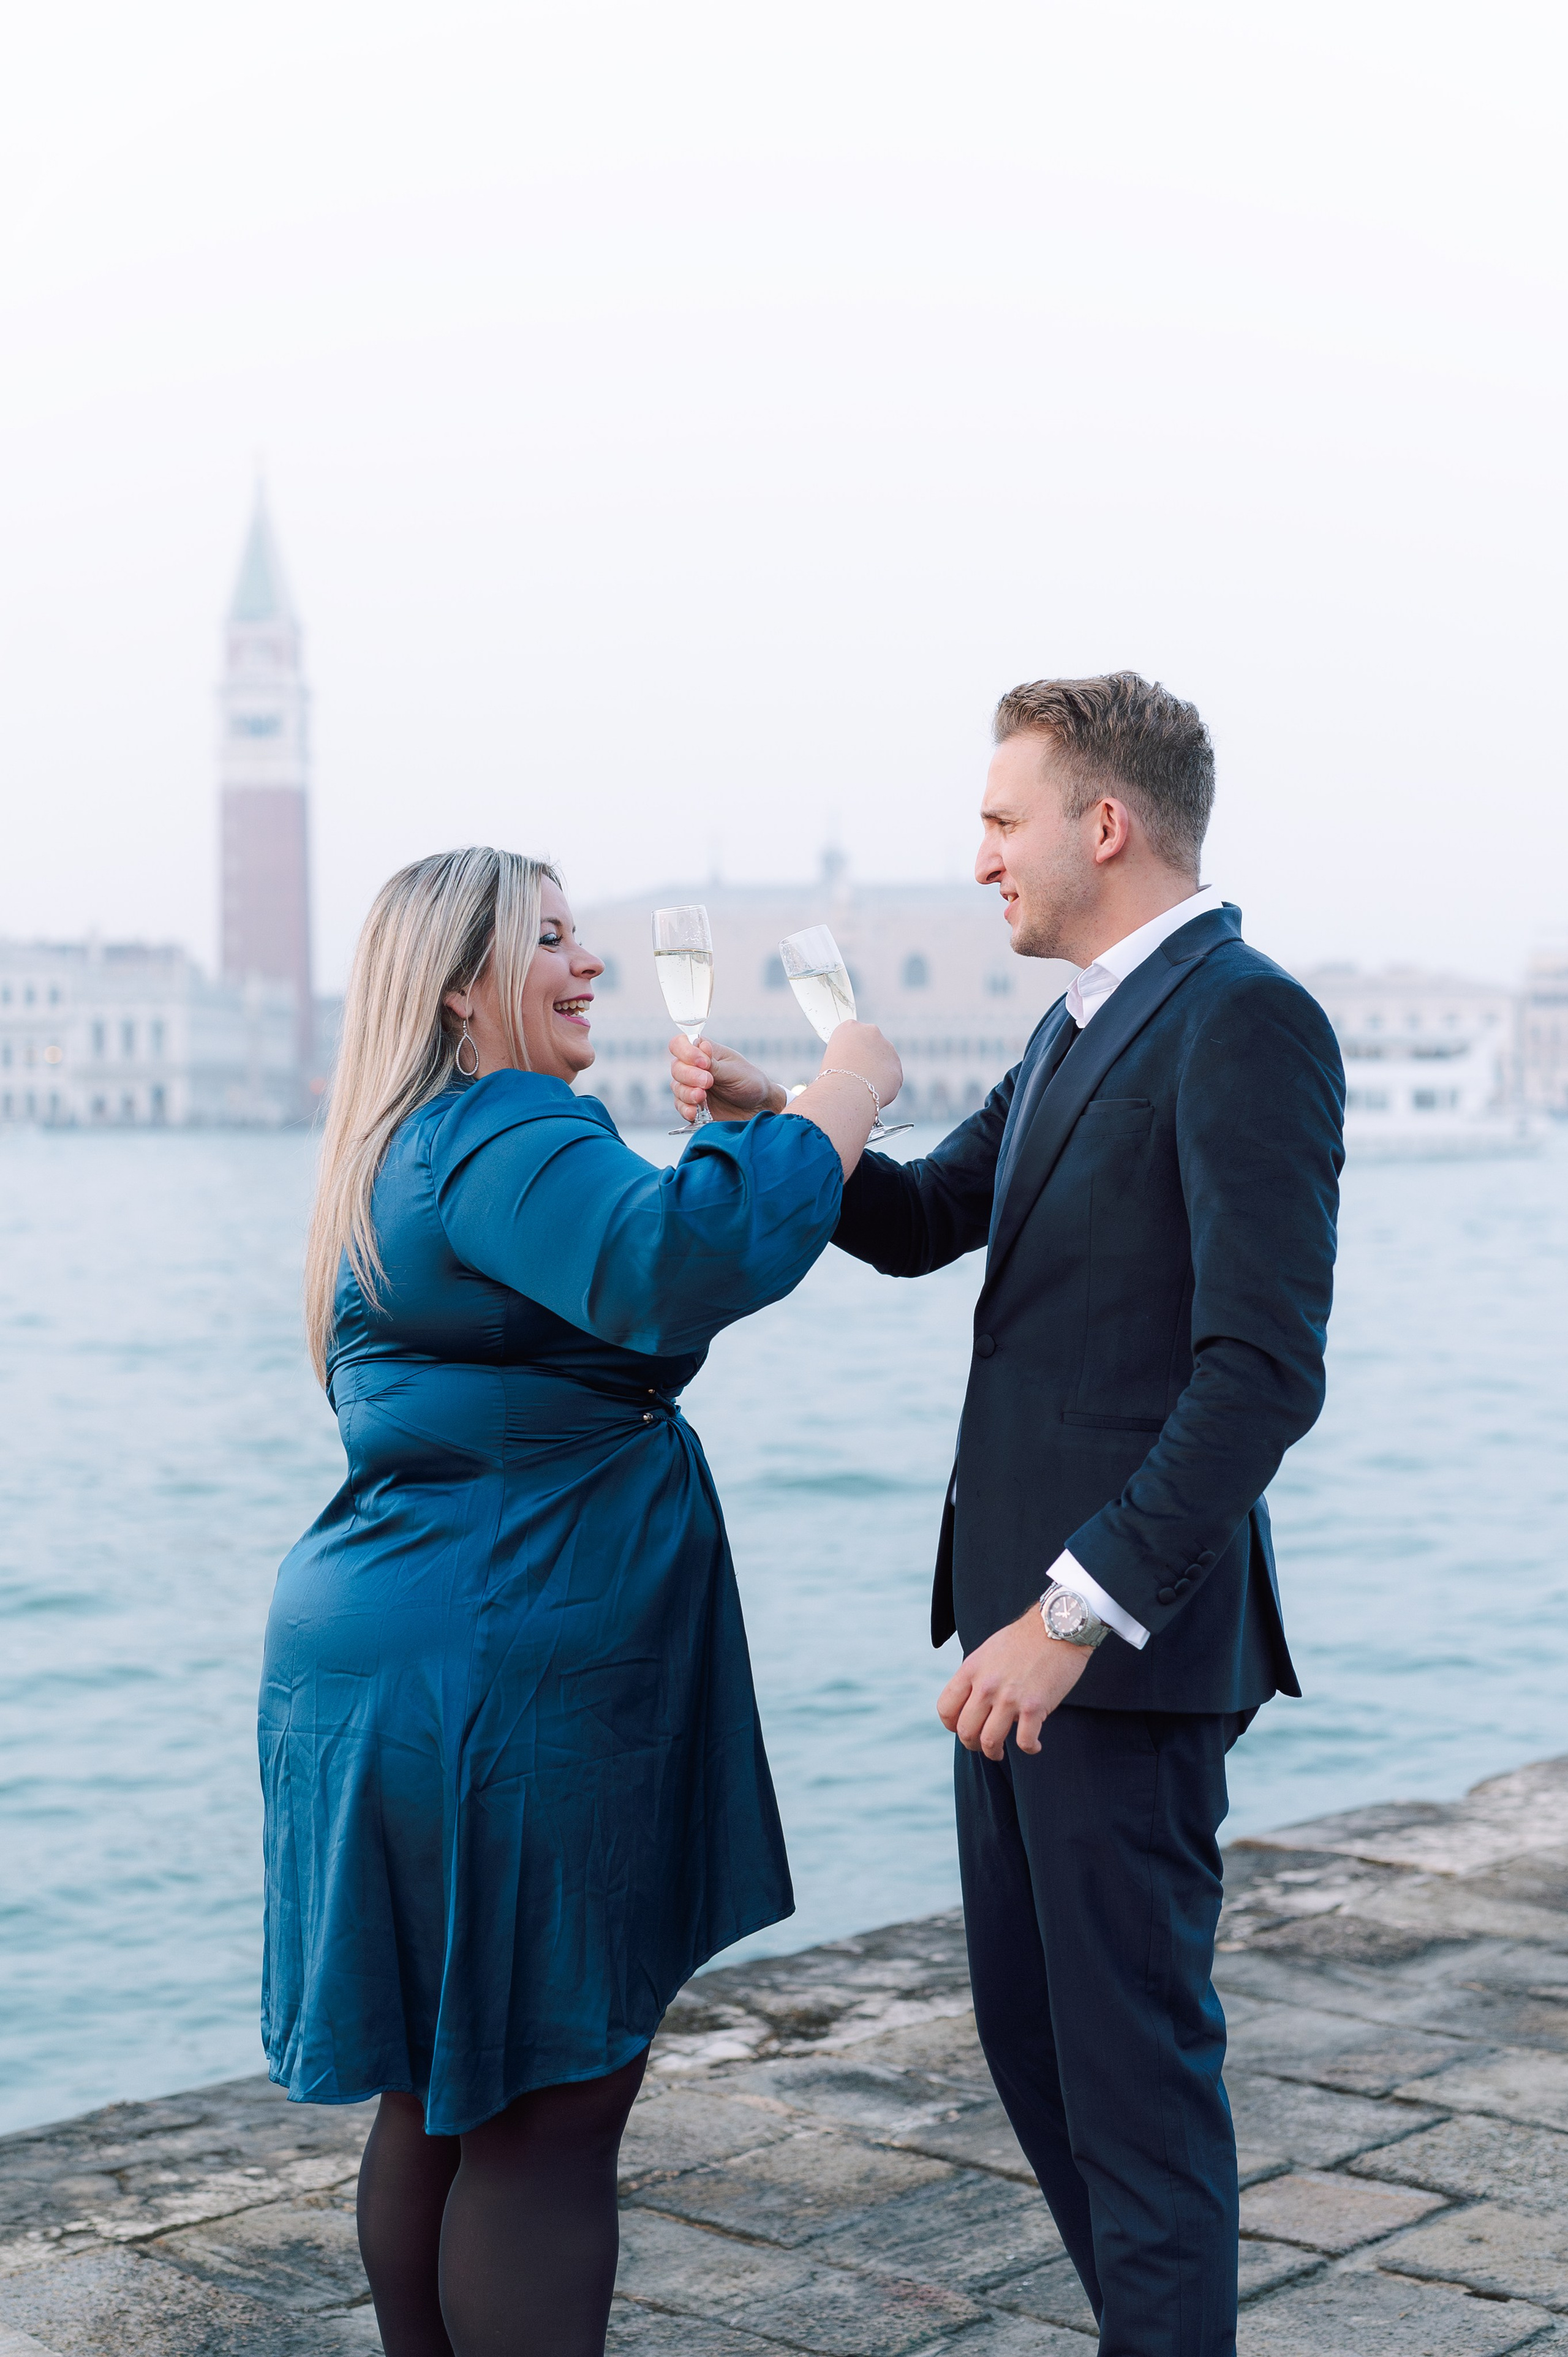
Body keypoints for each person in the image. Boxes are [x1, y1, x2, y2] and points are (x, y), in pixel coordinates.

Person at [669, 673, 1345, 2357]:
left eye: (999, 821)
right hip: (1010, 1654)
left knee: (1135, 2084)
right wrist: (783, 1116)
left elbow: (1259, 1373)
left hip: (1112, 1650)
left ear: (1101, 826)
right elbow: (917, 1222)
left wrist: (1068, 1614)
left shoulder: (1242, 1019)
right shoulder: (1070, 1030)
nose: (979, 859)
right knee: (1038, 2052)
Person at [260, 845, 900, 2357]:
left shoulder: (413, 1145)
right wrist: (842, 1095)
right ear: (465, 985)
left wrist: (750, 1138)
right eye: (548, 938)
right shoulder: (502, 1125)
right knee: (548, 2114)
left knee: (440, 2083)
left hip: (403, 1668)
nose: (587, 963)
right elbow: (672, 1265)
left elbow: (625, 1267)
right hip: (501, 1684)